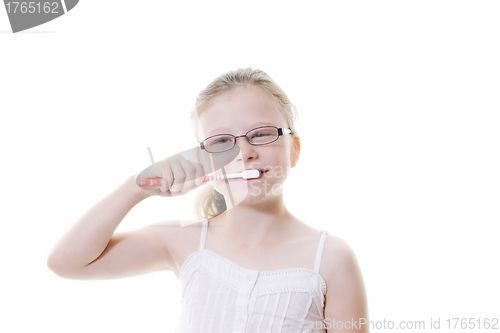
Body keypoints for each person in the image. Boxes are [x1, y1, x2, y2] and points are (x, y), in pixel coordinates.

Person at [47, 68, 369, 332]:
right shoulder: (184, 242)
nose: (245, 153)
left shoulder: (331, 259)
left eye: (260, 134)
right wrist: (137, 188)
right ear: (204, 160)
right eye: (222, 142)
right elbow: (66, 262)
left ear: (294, 149)